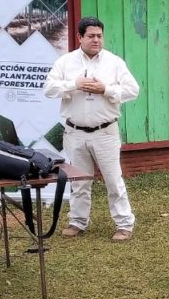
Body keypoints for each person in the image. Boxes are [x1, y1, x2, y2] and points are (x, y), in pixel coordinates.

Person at [43, 16, 140, 242]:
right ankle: (78, 221)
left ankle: (124, 224)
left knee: (113, 180)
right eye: (91, 36)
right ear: (80, 37)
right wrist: (74, 84)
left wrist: (105, 89)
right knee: (78, 181)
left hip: (105, 132)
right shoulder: (65, 62)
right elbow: (48, 88)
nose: (96, 40)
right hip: (74, 132)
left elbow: (133, 90)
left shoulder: (114, 63)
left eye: (99, 35)